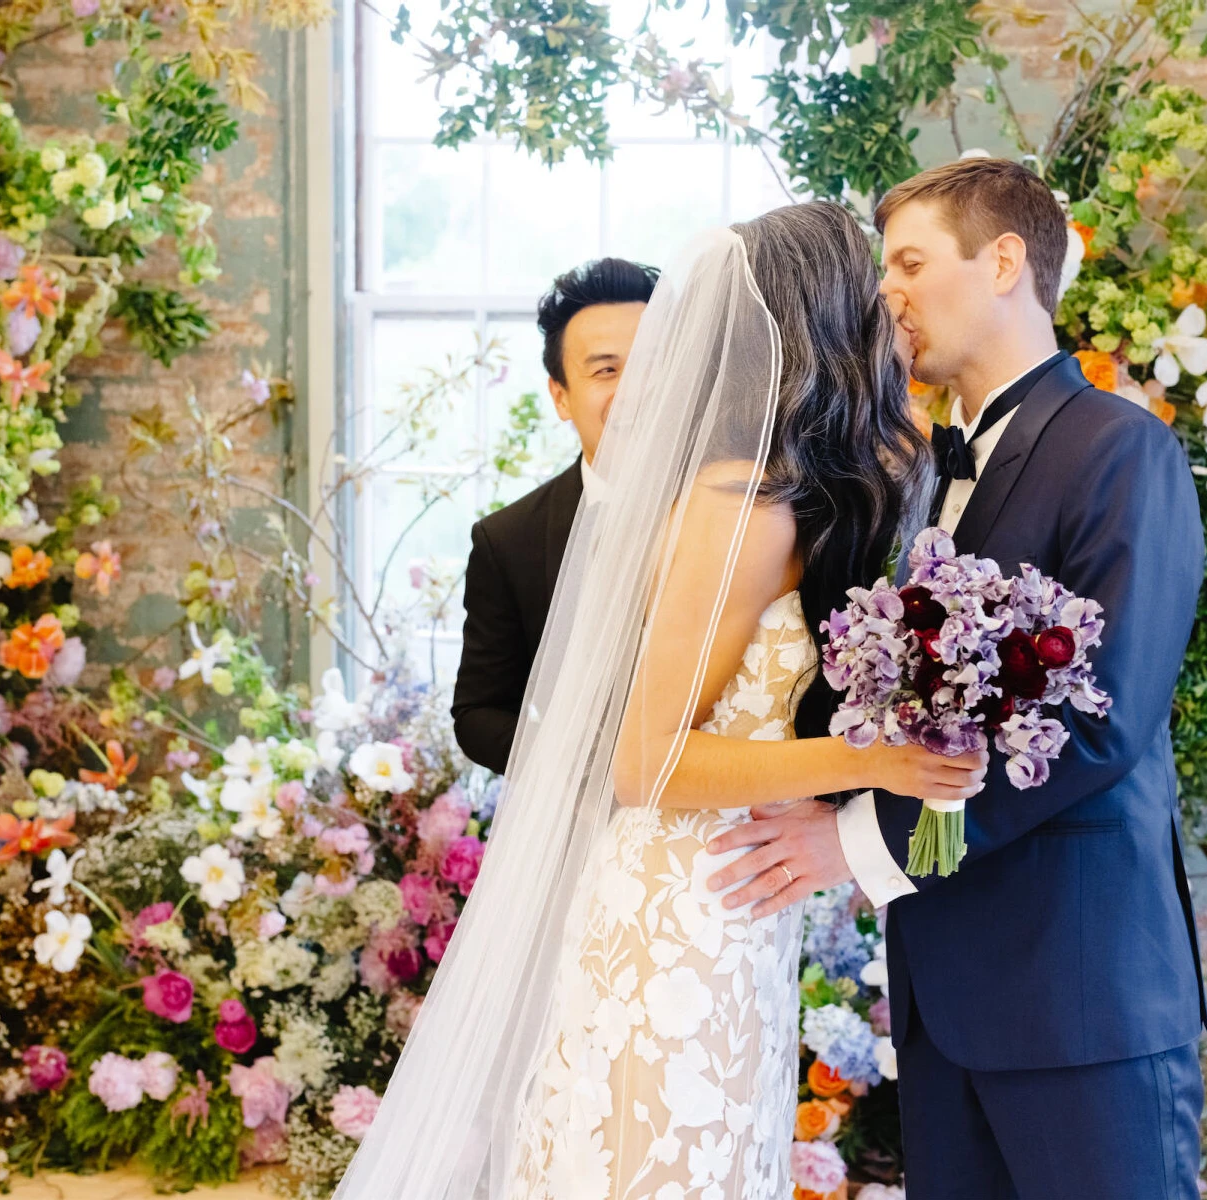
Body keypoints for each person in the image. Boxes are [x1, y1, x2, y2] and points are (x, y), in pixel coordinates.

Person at [335, 204, 986, 1199]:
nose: (888, 300)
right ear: (822, 314)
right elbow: (645, 761)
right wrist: (869, 764)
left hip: (738, 904)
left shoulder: (826, 483)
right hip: (670, 911)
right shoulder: (734, 506)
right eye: (869, 282)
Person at [706, 157, 1207, 1199]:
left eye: (909, 261)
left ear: (1004, 263)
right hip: (942, 997)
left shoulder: (1118, 451)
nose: (885, 291)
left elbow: (1097, 726)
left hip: (1079, 997)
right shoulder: (916, 473)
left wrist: (846, 842)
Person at [452, 257, 658, 775]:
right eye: (606, 370)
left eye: (654, 365)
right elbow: (479, 712)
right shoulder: (508, 539)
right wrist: (582, 769)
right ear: (561, 396)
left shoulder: (752, 510)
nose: (633, 390)